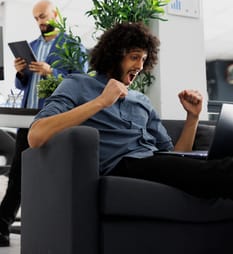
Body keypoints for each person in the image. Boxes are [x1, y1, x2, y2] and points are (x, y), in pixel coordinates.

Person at [28, 22, 233, 208]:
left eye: (144, 59)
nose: (140, 66)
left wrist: (192, 118)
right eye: (134, 57)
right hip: (124, 165)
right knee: (224, 171)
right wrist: (101, 101)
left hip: (154, 163)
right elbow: (36, 136)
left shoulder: (141, 101)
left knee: (216, 166)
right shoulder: (78, 85)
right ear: (114, 56)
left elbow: (175, 155)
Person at [0, 0, 88, 246]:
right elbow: (22, 85)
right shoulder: (33, 46)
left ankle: (50, 226)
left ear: (55, 14)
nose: (40, 22)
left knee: (52, 174)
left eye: (43, 16)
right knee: (18, 174)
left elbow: (82, 80)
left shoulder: (72, 46)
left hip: (56, 120)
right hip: (28, 120)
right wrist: (20, 72)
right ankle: (2, 227)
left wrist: (52, 72)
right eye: (36, 18)